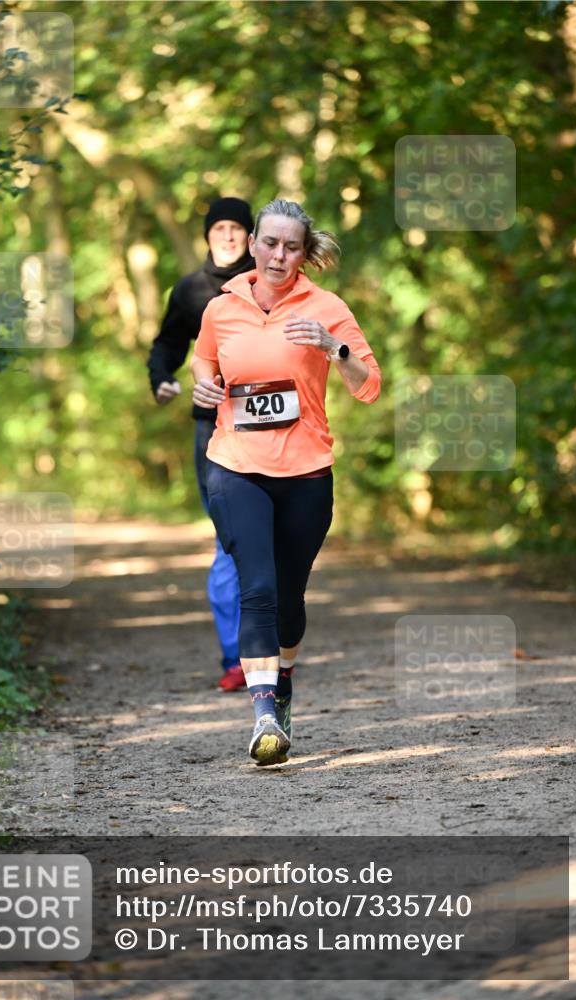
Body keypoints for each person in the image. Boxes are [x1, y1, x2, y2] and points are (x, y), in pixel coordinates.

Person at [191, 198, 381, 765]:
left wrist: (332, 346)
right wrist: (206, 384)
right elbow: (204, 360)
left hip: (304, 472)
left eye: (291, 246)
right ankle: (265, 715)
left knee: (291, 598)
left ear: (304, 252)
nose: (278, 255)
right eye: (269, 243)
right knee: (258, 589)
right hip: (235, 464)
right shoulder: (222, 307)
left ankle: (285, 680)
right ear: (252, 244)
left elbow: (368, 384)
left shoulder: (327, 307)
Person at [147, 197, 255, 691]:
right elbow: (167, 343)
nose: (229, 236)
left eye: (237, 228)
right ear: (208, 235)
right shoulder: (192, 290)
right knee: (228, 538)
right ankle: (238, 657)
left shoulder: (272, 280)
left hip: (275, 429)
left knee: (273, 540)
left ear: (251, 235)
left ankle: (273, 645)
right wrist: (161, 378)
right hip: (213, 427)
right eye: (220, 228)